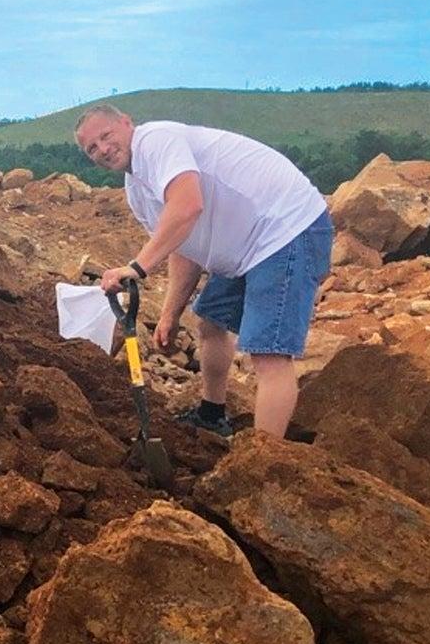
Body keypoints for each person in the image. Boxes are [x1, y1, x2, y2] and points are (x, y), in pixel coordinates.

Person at [74, 105, 333, 438]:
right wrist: (170, 313)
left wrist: (138, 266)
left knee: (269, 355)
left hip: (285, 229)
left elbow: (187, 205)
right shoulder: (137, 189)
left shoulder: (155, 141)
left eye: (106, 136)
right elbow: (182, 243)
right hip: (246, 243)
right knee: (211, 322)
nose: (103, 149)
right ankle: (213, 415)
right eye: (92, 148)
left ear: (126, 123)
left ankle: (264, 460)